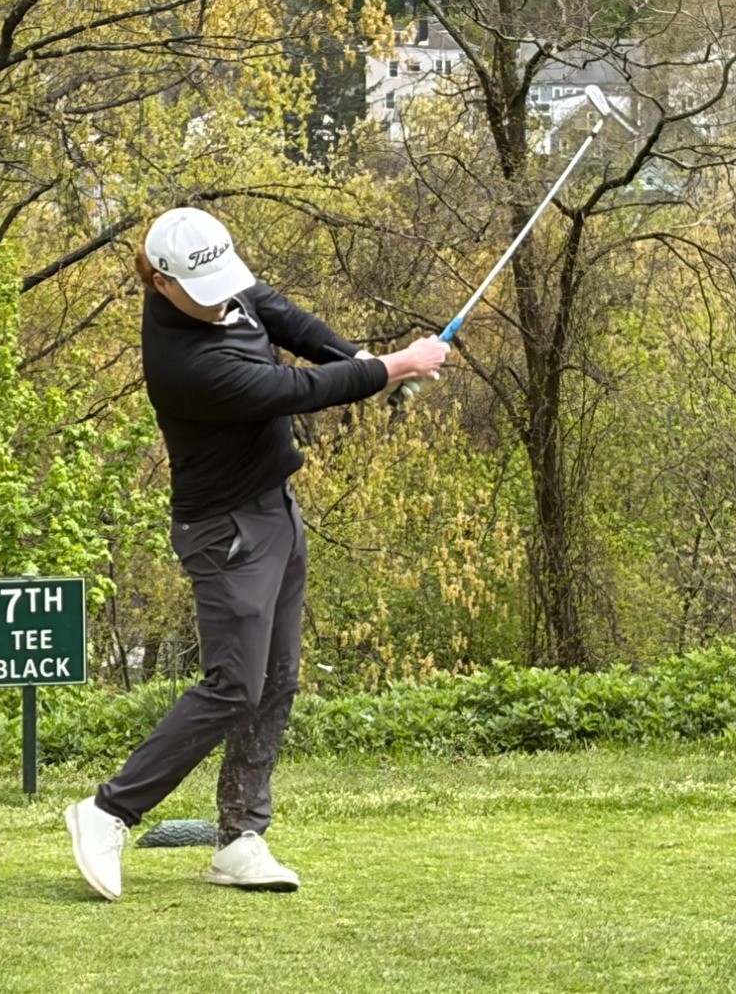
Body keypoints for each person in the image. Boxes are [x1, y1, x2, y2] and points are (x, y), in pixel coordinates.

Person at [64, 206, 449, 900]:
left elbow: (281, 314)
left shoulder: (220, 288)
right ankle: (108, 810)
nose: (222, 302)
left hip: (275, 510)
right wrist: (392, 366)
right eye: (203, 292)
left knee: (276, 680)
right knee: (234, 683)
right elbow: (291, 390)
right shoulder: (187, 365)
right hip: (226, 531)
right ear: (160, 284)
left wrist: (356, 360)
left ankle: (240, 837)